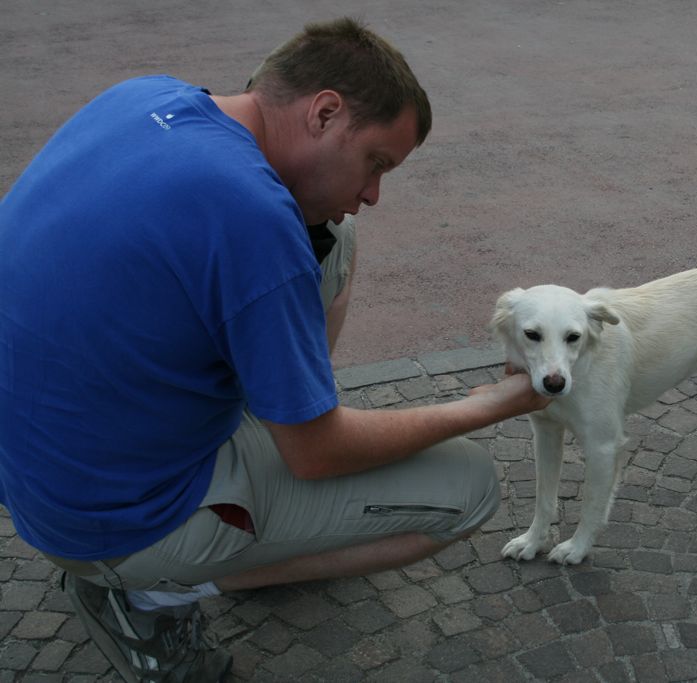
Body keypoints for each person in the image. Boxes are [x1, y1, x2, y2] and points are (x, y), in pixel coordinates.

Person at [0, 17, 548, 682]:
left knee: (333, 239)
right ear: (324, 111)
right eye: (376, 162)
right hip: (111, 517)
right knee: (470, 487)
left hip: (40, 468)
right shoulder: (254, 217)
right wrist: (491, 404)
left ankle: (279, 421)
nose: (373, 193)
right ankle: (148, 591)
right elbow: (316, 456)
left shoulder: (144, 95)